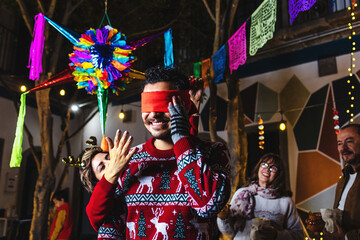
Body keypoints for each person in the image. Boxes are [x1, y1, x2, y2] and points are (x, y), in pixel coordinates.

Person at [79, 65, 231, 239]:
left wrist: (182, 135)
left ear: (184, 105)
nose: (153, 114)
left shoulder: (214, 152)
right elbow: (107, 226)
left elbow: (208, 205)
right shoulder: (128, 160)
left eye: (163, 104)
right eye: (148, 105)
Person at [217, 153, 303, 240]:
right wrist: (223, 218)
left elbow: (298, 235)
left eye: (273, 168)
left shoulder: (286, 201)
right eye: (264, 164)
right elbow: (228, 231)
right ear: (258, 167)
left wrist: (276, 235)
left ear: (278, 174)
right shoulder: (242, 194)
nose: (267, 169)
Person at [324, 124, 360, 239]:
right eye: (339, 143)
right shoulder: (344, 178)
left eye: (349, 141)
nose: (343, 148)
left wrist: (346, 237)